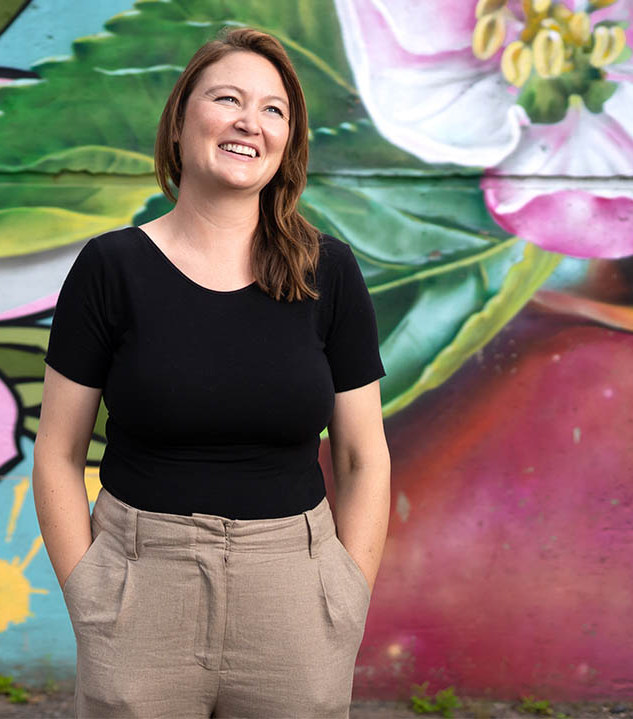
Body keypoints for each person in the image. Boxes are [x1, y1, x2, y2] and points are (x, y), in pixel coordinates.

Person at [31, 26, 390, 719]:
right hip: (139, 588)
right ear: (180, 120)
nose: (249, 122)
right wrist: (91, 593)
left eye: (273, 109)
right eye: (227, 98)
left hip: (294, 591)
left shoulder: (331, 273)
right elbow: (58, 450)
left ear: (287, 141)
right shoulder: (110, 269)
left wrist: (347, 593)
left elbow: (361, 454)